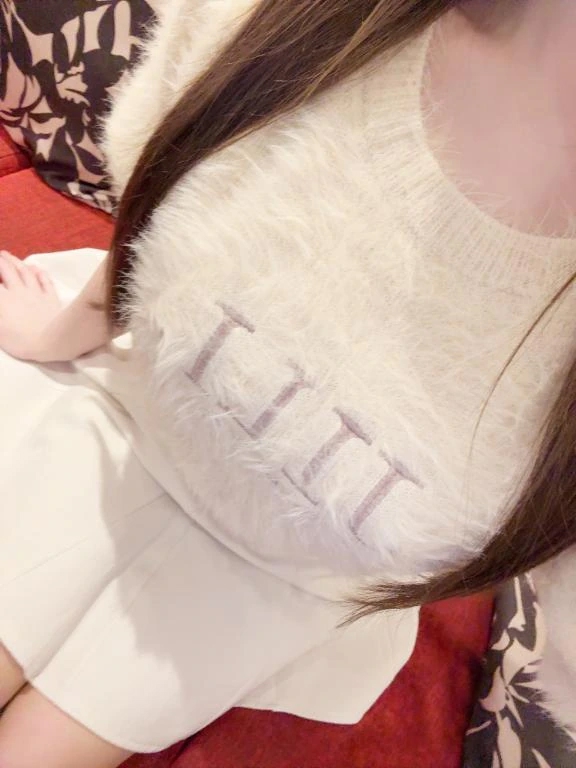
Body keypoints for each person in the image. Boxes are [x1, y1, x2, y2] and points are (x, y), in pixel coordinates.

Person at [1, 0, 576, 765]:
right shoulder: (295, 22)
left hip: (279, 585)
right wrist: (60, 331)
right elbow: (168, 205)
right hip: (127, 423)